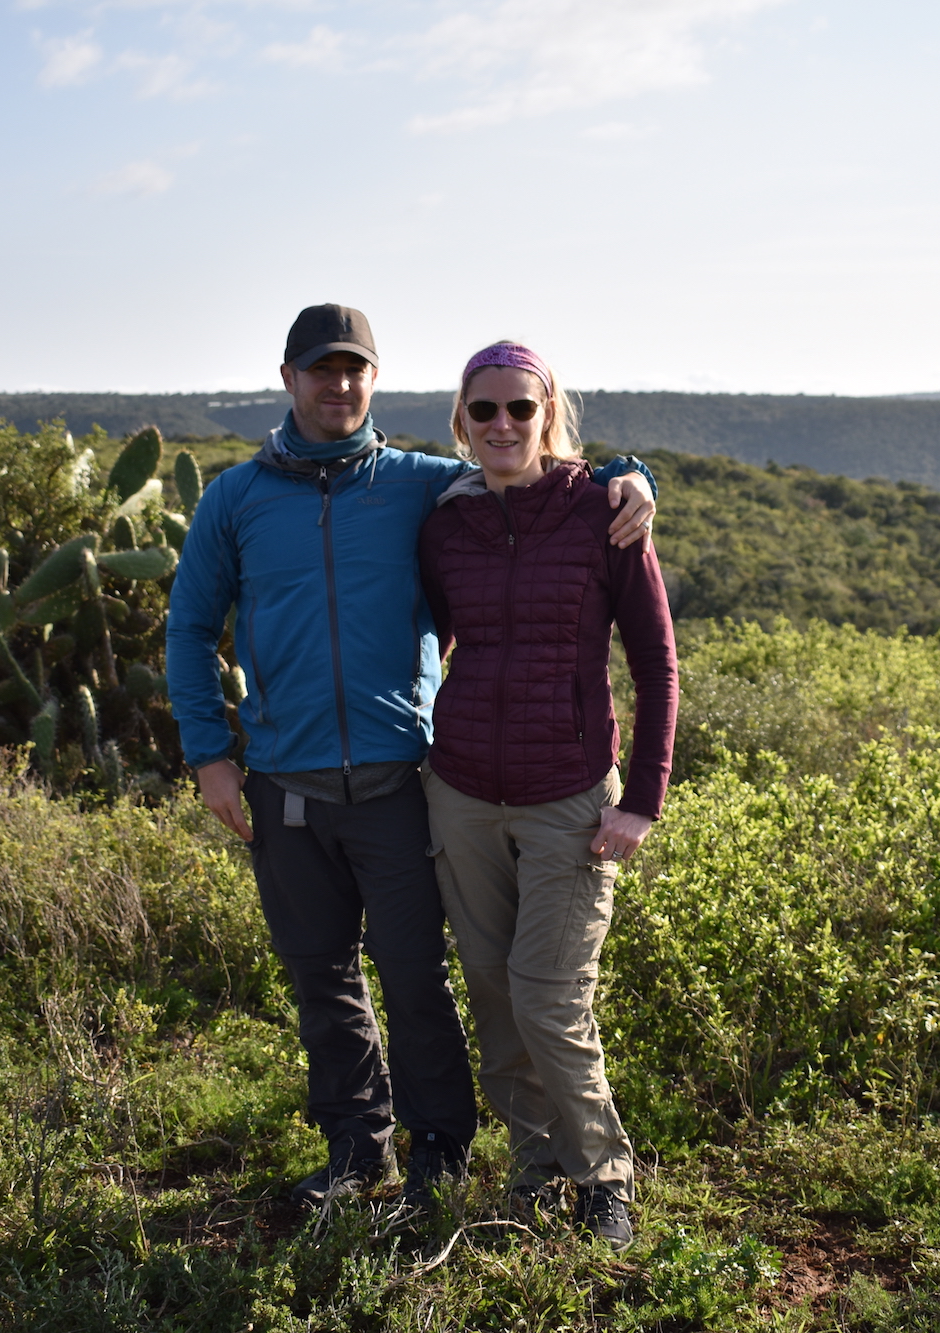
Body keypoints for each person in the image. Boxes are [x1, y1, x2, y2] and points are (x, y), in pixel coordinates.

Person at [166, 306, 656, 1210]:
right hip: (283, 780)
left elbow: (538, 472)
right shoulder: (235, 499)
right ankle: (358, 1147)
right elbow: (191, 628)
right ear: (289, 378)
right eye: (321, 369)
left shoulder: (425, 484)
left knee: (416, 974)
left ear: (375, 379)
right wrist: (212, 755)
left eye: (354, 368)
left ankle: (439, 1148)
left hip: (401, 776)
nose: (338, 384)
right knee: (323, 975)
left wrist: (631, 477)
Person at [417, 341, 678, 1251]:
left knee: (547, 994)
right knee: (491, 988)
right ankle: (535, 1167)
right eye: (483, 410)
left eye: (519, 410)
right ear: (462, 419)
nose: (501, 426)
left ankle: (604, 1174)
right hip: (459, 792)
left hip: (569, 795)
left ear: (548, 413)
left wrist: (641, 800)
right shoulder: (444, 524)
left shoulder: (605, 512)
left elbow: (655, 664)